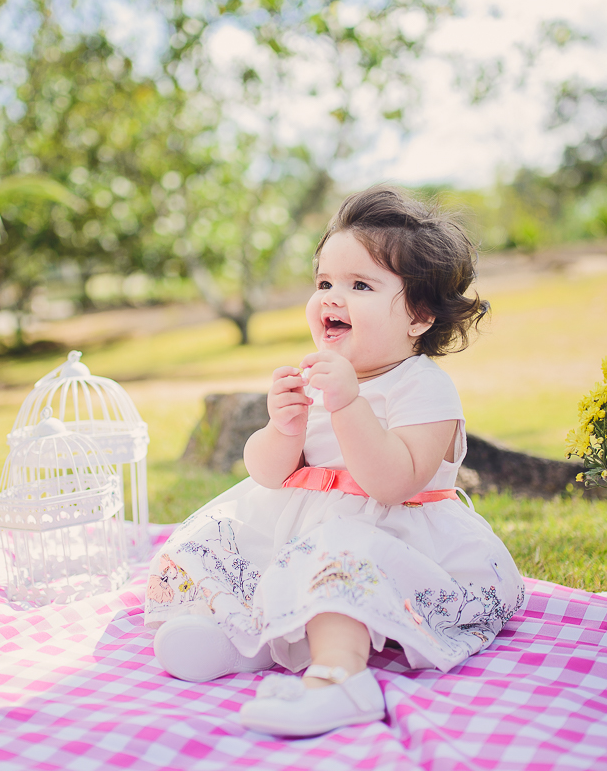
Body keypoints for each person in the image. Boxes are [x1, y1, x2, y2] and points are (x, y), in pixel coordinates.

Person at [145, 185, 525, 737]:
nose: (331, 297)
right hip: (298, 527)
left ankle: (339, 679)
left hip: (393, 537)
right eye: (323, 282)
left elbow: (392, 482)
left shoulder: (423, 386)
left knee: (336, 559)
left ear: (418, 317)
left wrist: (348, 404)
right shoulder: (319, 375)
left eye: (359, 285)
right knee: (222, 542)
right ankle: (244, 640)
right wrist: (282, 428)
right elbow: (268, 474)